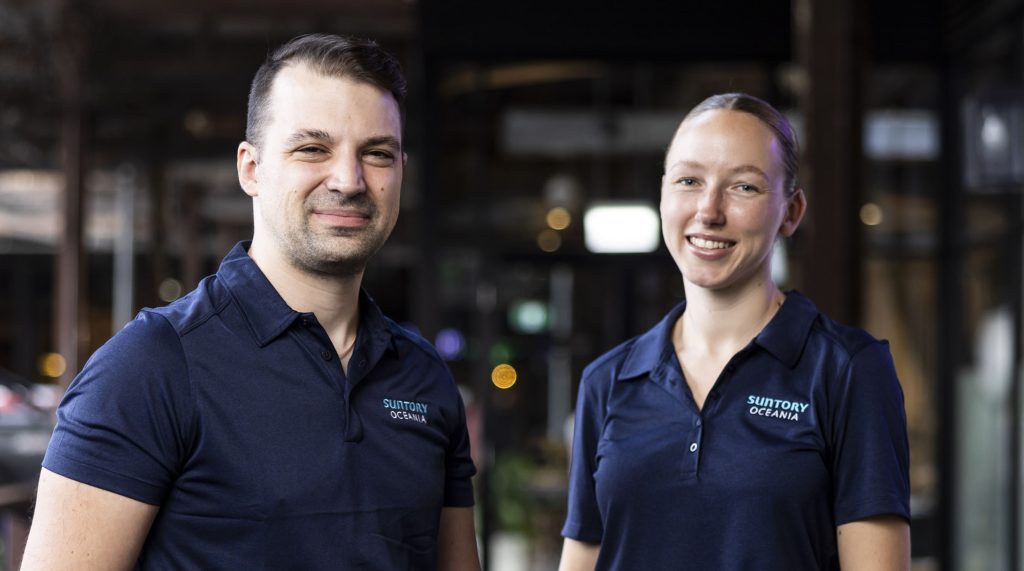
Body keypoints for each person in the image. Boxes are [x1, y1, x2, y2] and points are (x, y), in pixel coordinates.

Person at [22, 34, 480, 570]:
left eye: (377, 154)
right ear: (251, 169)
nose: (349, 180)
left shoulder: (424, 377)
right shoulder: (150, 366)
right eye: (313, 148)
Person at [558, 93, 910, 570]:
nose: (708, 210)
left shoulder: (847, 370)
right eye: (688, 181)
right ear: (663, 195)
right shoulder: (608, 381)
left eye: (744, 187)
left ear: (791, 212)